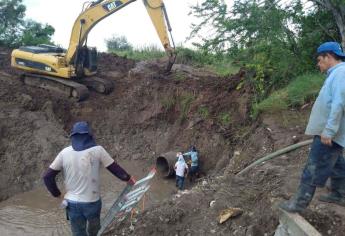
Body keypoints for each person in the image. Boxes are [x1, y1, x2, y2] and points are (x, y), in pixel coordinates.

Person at [279, 42, 345, 213]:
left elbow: (339, 104)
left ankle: (298, 204)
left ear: (328, 57)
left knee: (313, 166)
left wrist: (329, 131)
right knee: (336, 163)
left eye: (319, 60)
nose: (318, 64)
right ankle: (340, 194)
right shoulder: (337, 74)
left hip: (330, 132)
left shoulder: (340, 74)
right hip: (333, 133)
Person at [43, 121, 135, 236]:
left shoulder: (64, 153)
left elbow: (47, 177)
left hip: (71, 203)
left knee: (78, 233)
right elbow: (115, 169)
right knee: (94, 231)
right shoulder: (98, 150)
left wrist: (57, 194)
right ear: (89, 136)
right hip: (91, 202)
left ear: (73, 136)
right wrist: (128, 178)